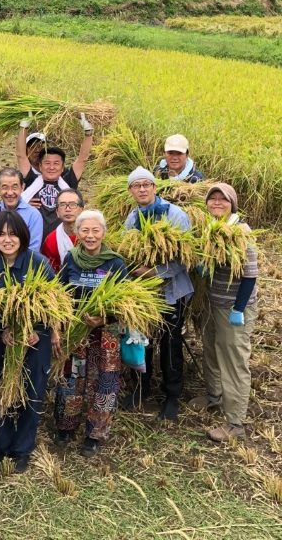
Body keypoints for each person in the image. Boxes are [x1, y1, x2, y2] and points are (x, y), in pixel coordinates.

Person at [0, 210, 56, 472]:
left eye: (12, 234)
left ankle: (22, 448)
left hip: (34, 342)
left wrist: (36, 329)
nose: (7, 239)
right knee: (1, 390)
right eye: (1, 234)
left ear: (22, 236)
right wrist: (1, 331)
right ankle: (3, 444)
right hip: (2, 342)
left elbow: (53, 304)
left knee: (31, 392)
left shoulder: (38, 263)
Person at [55, 210, 131, 455]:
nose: (90, 235)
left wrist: (104, 318)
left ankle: (94, 434)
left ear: (104, 233)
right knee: (71, 379)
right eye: (84, 230)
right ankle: (66, 426)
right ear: (77, 233)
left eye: (95, 230)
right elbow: (60, 294)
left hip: (106, 333)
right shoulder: (71, 259)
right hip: (76, 331)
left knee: (104, 382)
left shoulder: (115, 262)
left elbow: (127, 302)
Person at [189, 183, 259, 443]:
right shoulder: (209, 228)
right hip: (211, 303)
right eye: (212, 199)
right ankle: (213, 396)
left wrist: (239, 308)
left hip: (232, 307)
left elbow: (250, 275)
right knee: (211, 349)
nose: (217, 203)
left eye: (223, 200)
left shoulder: (241, 232)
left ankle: (235, 423)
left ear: (233, 204)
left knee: (232, 361)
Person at [124, 166, 193, 421]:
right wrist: (135, 271)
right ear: (131, 190)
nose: (142, 189)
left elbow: (187, 258)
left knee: (170, 343)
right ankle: (141, 388)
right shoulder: (132, 219)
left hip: (172, 292)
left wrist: (156, 272)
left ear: (155, 187)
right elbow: (127, 253)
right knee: (141, 340)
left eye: (146, 185)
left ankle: (172, 395)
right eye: (136, 186)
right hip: (144, 294)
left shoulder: (175, 215)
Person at [17, 115, 94, 237]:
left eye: (56, 163)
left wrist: (88, 133)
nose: (51, 167)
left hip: (62, 238)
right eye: (47, 163)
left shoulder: (68, 183)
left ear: (62, 167)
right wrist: (23, 128)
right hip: (34, 237)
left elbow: (82, 159)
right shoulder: (31, 180)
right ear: (40, 166)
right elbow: (21, 156)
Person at [0, 168, 43, 252]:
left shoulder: (33, 215)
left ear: (22, 187)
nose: (10, 193)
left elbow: (33, 249)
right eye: (5, 187)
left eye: (15, 187)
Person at [39, 188, 83, 272]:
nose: (67, 209)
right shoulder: (51, 240)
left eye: (73, 204)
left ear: (81, 209)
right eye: (62, 205)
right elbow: (49, 272)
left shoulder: (91, 235)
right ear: (57, 212)